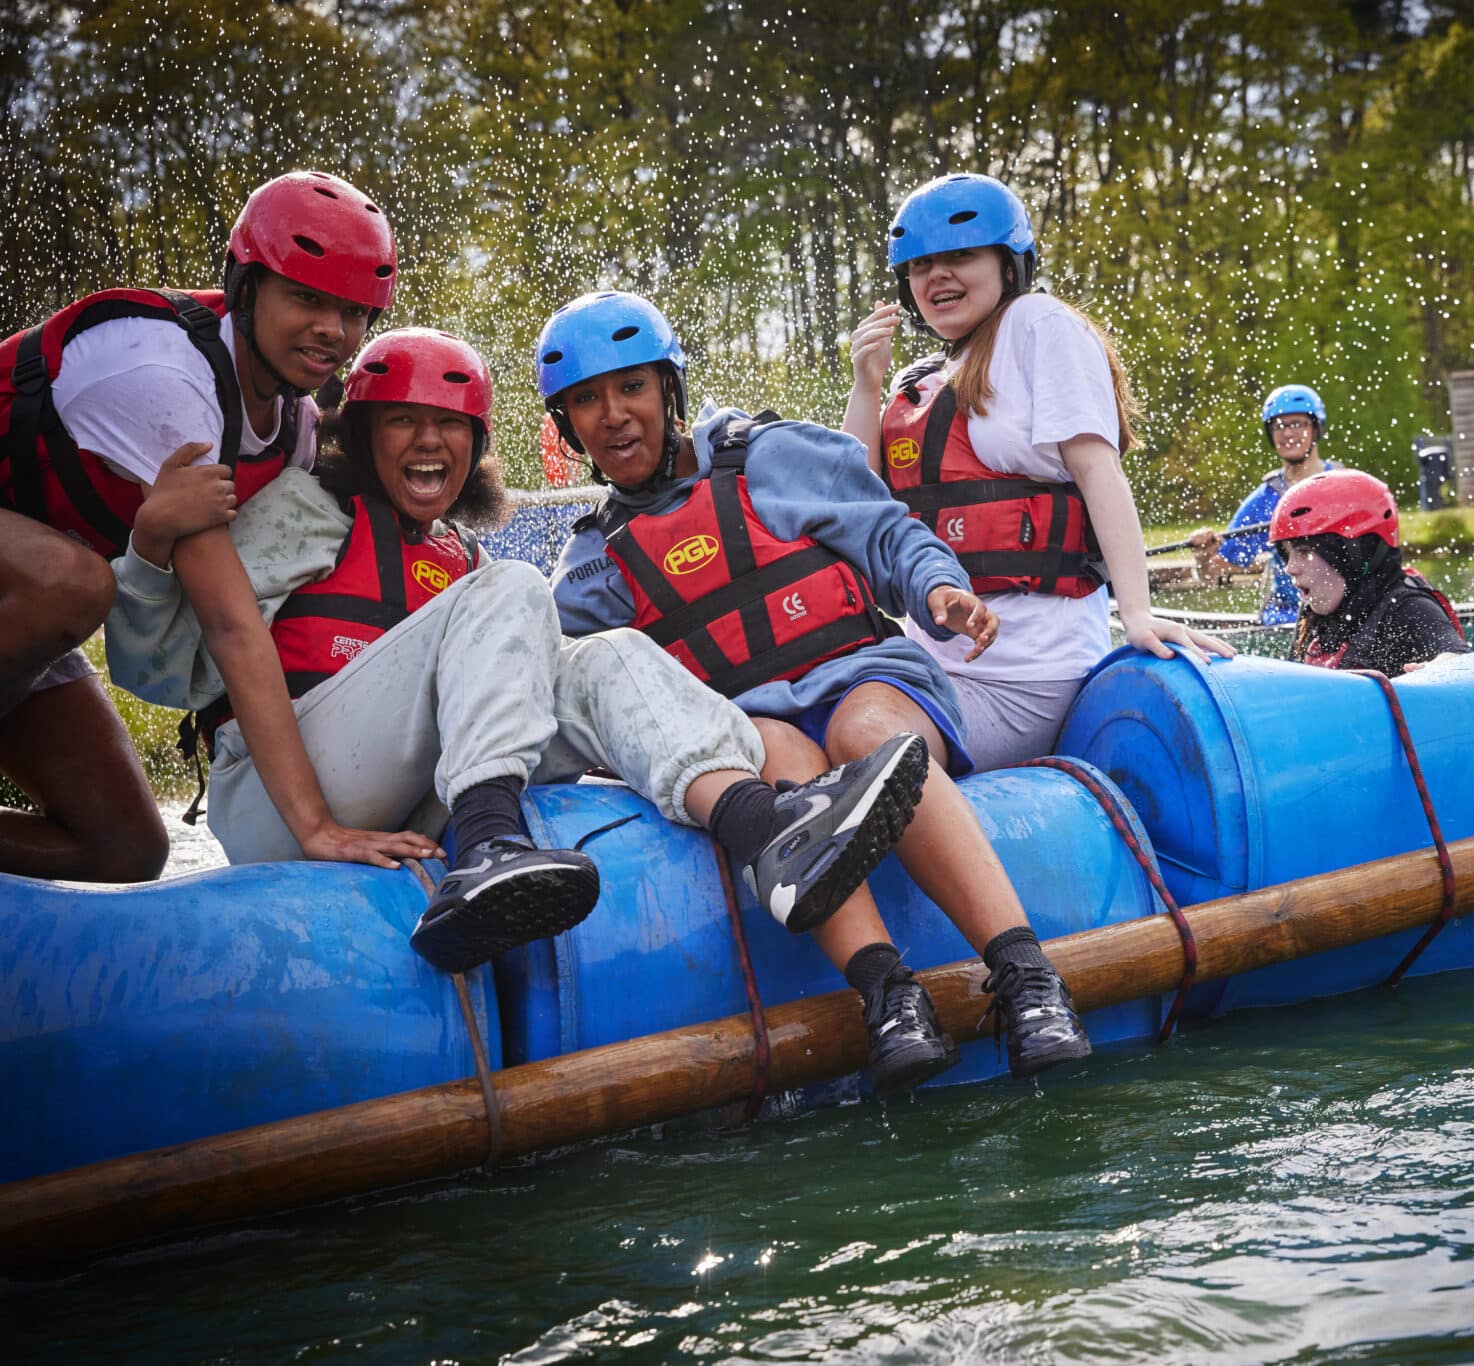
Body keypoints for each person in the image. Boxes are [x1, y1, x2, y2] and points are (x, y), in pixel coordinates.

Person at [104, 327, 931, 980]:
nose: (429, 444)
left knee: (601, 653)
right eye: (403, 421)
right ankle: (492, 847)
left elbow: (545, 695)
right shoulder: (305, 510)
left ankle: (766, 828)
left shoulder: (461, 557)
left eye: (450, 426)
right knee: (516, 589)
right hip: (279, 804)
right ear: (360, 432)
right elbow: (157, 672)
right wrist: (147, 547)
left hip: (398, 801)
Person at [541, 289, 1094, 1084]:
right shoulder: (593, 563)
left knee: (863, 738)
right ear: (566, 428)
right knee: (774, 756)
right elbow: (583, 685)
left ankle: (1028, 978)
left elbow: (889, 533)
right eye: (586, 402)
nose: (614, 415)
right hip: (758, 726)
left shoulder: (767, 454)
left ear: (669, 390)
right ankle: (887, 993)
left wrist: (938, 591)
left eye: (631, 388)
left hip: (867, 678)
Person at [0, 169, 412, 882]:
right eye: (307, 299)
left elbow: (245, 609)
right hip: (38, 592)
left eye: (353, 313)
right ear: (246, 289)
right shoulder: (168, 381)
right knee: (74, 581)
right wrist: (314, 826)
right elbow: (229, 628)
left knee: (126, 848)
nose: (332, 331)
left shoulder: (297, 428)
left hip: (18, 608)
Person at [842, 172, 1230, 768]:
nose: (936, 276)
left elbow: (1099, 471)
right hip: (931, 666)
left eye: (959, 256)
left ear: (1008, 264)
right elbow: (856, 508)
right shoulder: (918, 382)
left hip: (1024, 678)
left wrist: (1138, 614)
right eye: (921, 265)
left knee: (858, 736)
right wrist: (866, 387)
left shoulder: (1039, 325)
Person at [1270, 468, 1469, 674]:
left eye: (1304, 552)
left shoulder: (1408, 608)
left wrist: (1439, 667)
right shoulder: (1315, 615)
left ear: (1354, 553)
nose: (1290, 568)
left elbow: (1458, 657)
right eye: (1287, 553)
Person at [1187, 384, 1341, 625]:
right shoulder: (1263, 501)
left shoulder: (1343, 485)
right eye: (1279, 426)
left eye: (1297, 424)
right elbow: (1215, 572)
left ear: (1316, 428)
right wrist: (1204, 558)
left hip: (1345, 614)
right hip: (1287, 620)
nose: (1288, 434)